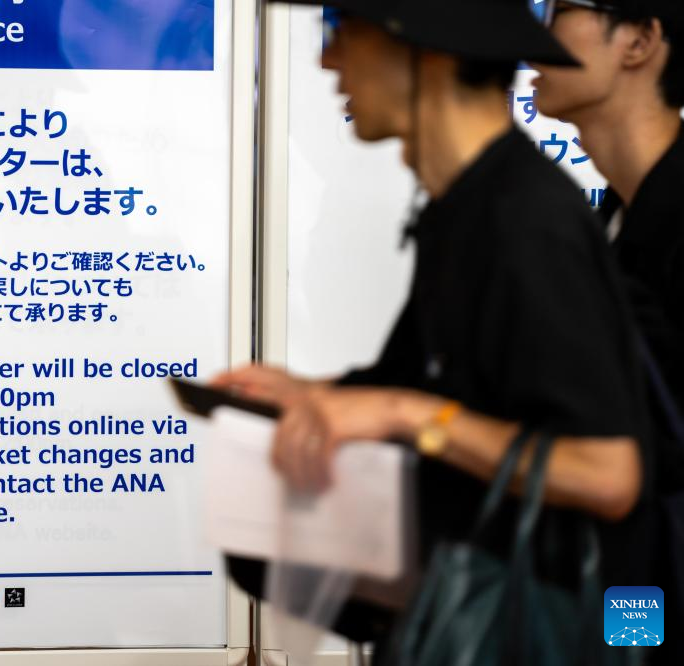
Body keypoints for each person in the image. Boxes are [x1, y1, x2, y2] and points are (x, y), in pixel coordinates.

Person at [214, 0, 655, 656]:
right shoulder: (466, 206)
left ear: (432, 55)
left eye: (343, 32)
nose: (327, 60)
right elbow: (460, 388)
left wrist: (402, 412)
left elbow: (607, 473)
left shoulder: (524, 220)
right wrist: (313, 394)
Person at [532, 1, 684, 660]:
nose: (533, 41)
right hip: (634, 599)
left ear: (640, 41)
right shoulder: (608, 224)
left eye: (560, 11)